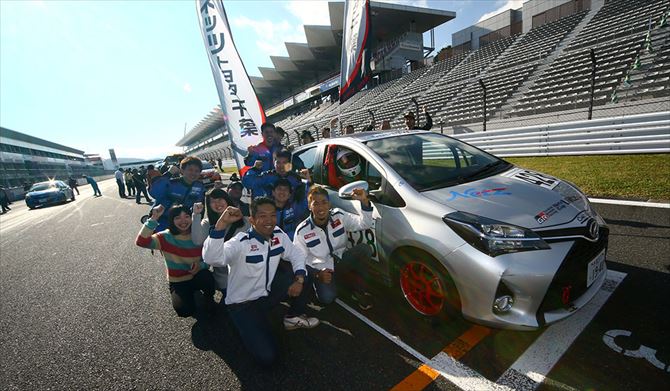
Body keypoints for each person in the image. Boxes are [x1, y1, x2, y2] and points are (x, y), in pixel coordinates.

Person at [202, 197, 319, 367]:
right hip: (243, 305)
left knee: (306, 274)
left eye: (272, 215)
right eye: (262, 216)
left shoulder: (278, 234)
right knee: (268, 358)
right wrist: (221, 225)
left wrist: (299, 279)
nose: (269, 220)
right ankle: (241, 326)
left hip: (266, 295)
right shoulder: (240, 242)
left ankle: (292, 317)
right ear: (252, 220)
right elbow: (212, 258)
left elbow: (296, 254)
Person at [293, 185, 374, 310]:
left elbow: (365, 223)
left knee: (364, 249)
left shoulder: (339, 215)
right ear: (309, 206)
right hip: (322, 270)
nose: (321, 207)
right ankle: (323, 285)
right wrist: (317, 274)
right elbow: (298, 260)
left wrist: (364, 200)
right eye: (316, 203)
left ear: (329, 204)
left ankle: (358, 289)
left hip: (341, 260)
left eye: (324, 202)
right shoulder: (302, 231)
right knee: (327, 298)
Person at [136, 204, 215, 318]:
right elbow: (141, 242)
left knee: (207, 277)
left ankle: (208, 297)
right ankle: (186, 296)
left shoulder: (199, 234)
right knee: (184, 311)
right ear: (171, 220)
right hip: (178, 281)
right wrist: (154, 218)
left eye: (186, 216)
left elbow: (210, 257)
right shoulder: (165, 237)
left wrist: (202, 266)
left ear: (191, 217)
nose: (183, 221)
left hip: (198, 275)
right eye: (177, 217)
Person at [191, 189, 250, 296]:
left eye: (220, 199)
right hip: (224, 279)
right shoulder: (207, 223)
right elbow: (197, 240)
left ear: (227, 199)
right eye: (212, 201)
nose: (217, 203)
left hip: (246, 275)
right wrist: (196, 214)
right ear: (208, 205)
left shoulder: (244, 220)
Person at [149, 156, 206, 232]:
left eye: (197, 171)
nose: (193, 173)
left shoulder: (199, 187)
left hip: (183, 225)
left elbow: (200, 208)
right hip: (161, 223)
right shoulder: (171, 183)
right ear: (182, 171)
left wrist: (196, 224)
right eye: (190, 170)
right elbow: (154, 192)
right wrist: (169, 173)